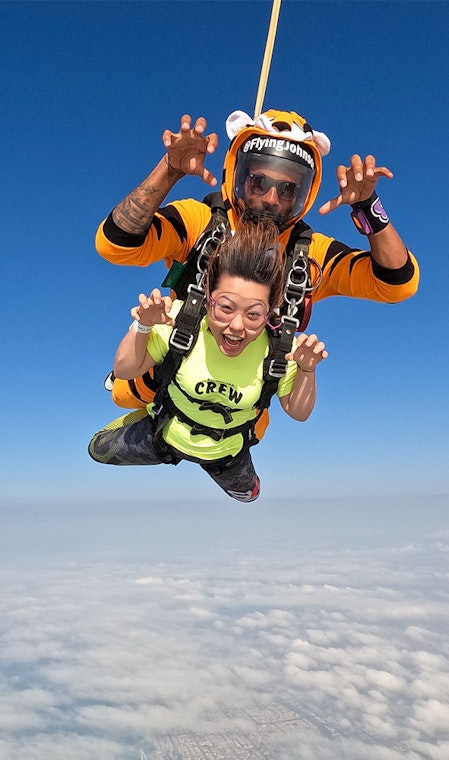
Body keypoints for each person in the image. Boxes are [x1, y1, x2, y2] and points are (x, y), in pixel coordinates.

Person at [96, 109, 418, 423]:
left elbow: (396, 283)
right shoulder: (200, 222)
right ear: (237, 174)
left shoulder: (310, 255)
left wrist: (368, 210)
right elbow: (116, 245)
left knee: (251, 429)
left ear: (307, 192)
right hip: (174, 360)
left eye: (288, 189)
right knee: (124, 393)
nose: (271, 199)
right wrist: (169, 169)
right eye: (259, 182)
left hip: (241, 397)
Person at [88, 221, 328, 503]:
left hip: (226, 456)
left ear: (268, 314)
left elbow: (298, 413)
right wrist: (142, 327)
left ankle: (223, 469)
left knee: (249, 496)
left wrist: (307, 369)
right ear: (208, 299)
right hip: (163, 436)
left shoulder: (280, 349)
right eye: (225, 308)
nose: (236, 326)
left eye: (253, 315)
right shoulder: (179, 321)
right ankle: (147, 411)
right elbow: (125, 369)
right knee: (96, 449)